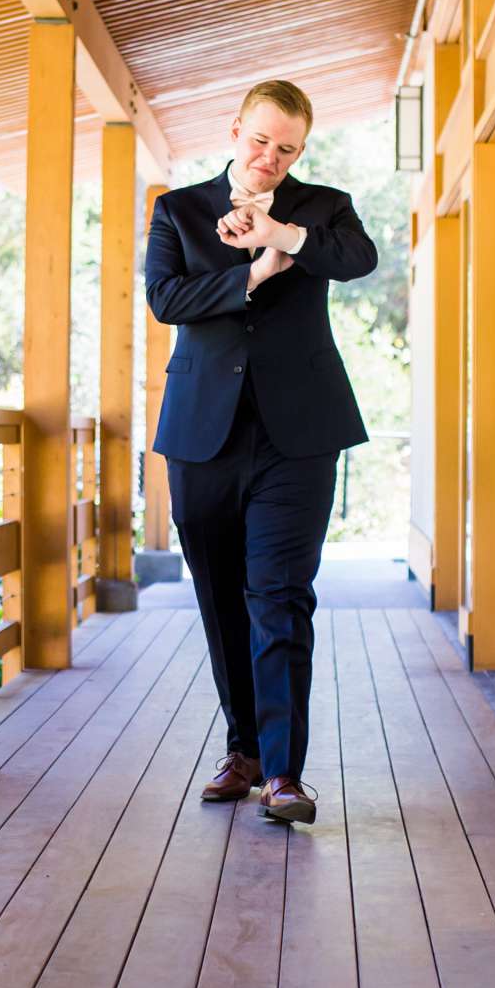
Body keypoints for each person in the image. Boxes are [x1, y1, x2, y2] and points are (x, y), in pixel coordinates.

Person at [142, 78, 378, 823]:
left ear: (301, 150)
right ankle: (242, 750)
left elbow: (357, 259)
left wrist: (281, 238)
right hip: (202, 434)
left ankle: (282, 773)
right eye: (259, 139)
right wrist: (249, 276)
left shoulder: (324, 209)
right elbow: (166, 299)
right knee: (219, 599)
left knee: (279, 595)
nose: (270, 156)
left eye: (287, 148)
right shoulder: (178, 210)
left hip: (298, 436)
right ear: (235, 127)